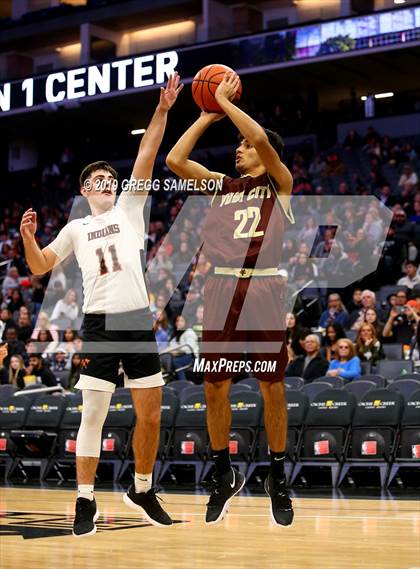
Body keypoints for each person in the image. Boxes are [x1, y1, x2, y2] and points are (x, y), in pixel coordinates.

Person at [20, 74, 183, 537]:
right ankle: (84, 498)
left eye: (109, 178)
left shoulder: (130, 208)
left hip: (136, 321)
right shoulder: (75, 228)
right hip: (100, 324)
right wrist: (29, 238)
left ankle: (142, 487)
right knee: (94, 413)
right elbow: (38, 267)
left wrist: (163, 109)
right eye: (97, 180)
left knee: (151, 413)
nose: (106, 183)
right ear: (84, 190)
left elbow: (147, 154)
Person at [167, 71, 294, 526]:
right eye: (236, 143)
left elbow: (258, 135)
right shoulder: (221, 185)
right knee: (213, 386)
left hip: (263, 286)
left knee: (271, 385)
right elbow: (175, 160)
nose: (237, 146)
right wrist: (207, 114)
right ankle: (223, 472)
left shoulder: (279, 184)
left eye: (243, 145)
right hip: (220, 287)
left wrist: (228, 104)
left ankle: (277, 476)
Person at [168, 314, 199, 380]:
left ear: (186, 322)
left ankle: (183, 381)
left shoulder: (189, 332)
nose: (179, 323)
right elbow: (171, 347)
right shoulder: (175, 334)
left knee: (176, 361)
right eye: (177, 321)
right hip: (180, 356)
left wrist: (177, 351)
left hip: (192, 356)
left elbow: (189, 349)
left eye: (182, 321)